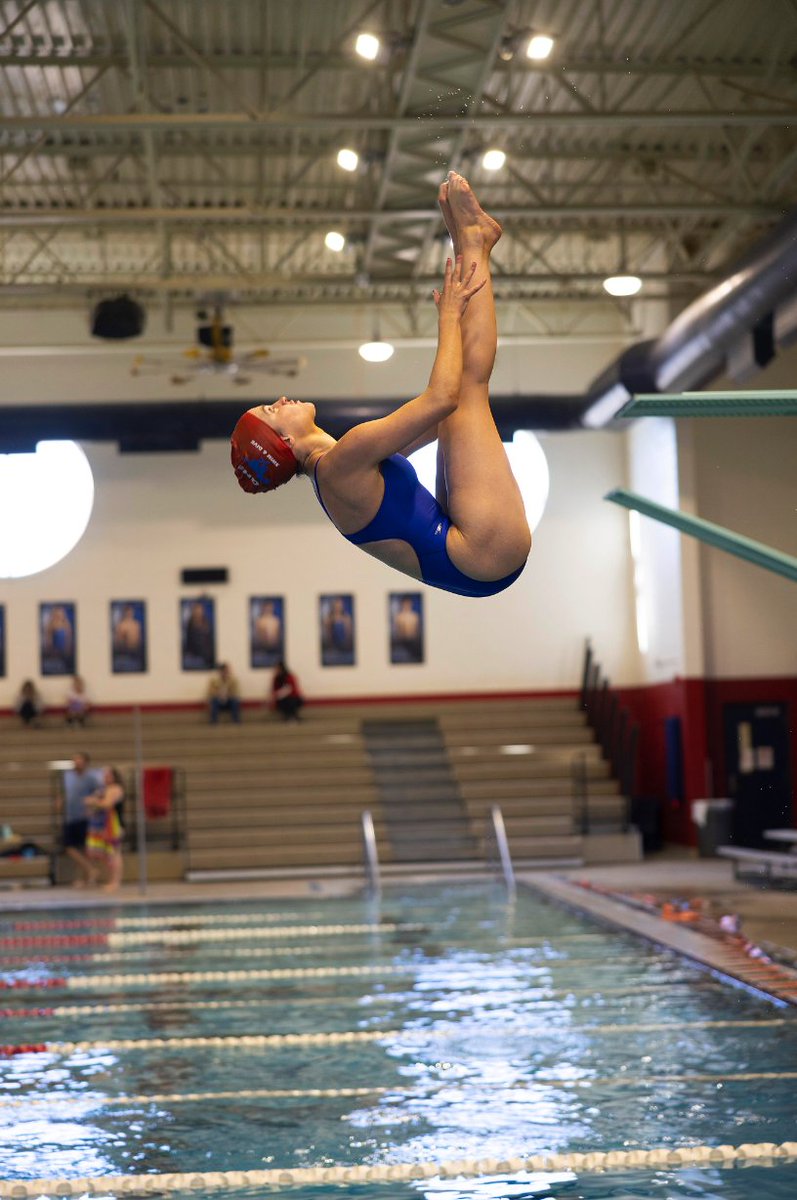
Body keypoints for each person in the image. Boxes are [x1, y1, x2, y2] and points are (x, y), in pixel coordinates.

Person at [230, 171, 531, 599]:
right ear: (283, 441)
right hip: (484, 550)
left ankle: (471, 242)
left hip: (475, 558)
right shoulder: (342, 463)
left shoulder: (338, 470)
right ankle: (472, 242)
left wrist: (451, 401)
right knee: (465, 390)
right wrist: (448, 317)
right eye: (271, 411)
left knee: (464, 396)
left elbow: (438, 415)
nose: (279, 400)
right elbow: (443, 398)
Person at [57, 751, 104, 887]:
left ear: (85, 763)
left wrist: (92, 805)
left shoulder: (91, 777)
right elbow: (65, 791)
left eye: (80, 761)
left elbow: (99, 792)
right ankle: (90, 870)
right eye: (75, 761)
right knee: (70, 847)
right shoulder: (68, 776)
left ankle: (87, 877)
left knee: (85, 848)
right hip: (70, 816)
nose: (77, 763)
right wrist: (61, 800)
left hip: (84, 817)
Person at [85, 766, 125, 892]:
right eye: (104, 775)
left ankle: (116, 882)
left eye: (108, 775)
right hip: (102, 825)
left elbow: (107, 804)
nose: (106, 778)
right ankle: (111, 880)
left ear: (114, 776)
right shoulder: (103, 789)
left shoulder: (116, 789)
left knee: (114, 853)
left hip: (113, 825)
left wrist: (94, 801)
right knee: (106, 853)